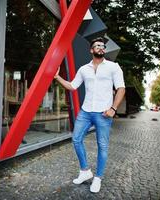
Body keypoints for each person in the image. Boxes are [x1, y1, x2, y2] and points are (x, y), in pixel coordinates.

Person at [54, 37, 125, 193]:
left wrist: (113, 109)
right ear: (91, 50)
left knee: (103, 146)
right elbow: (72, 86)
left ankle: (97, 178)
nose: (100, 47)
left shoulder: (113, 67)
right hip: (85, 111)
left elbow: (121, 89)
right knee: (76, 139)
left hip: (104, 113)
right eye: (97, 46)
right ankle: (85, 171)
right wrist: (57, 77)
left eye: (102, 46)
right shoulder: (83, 69)